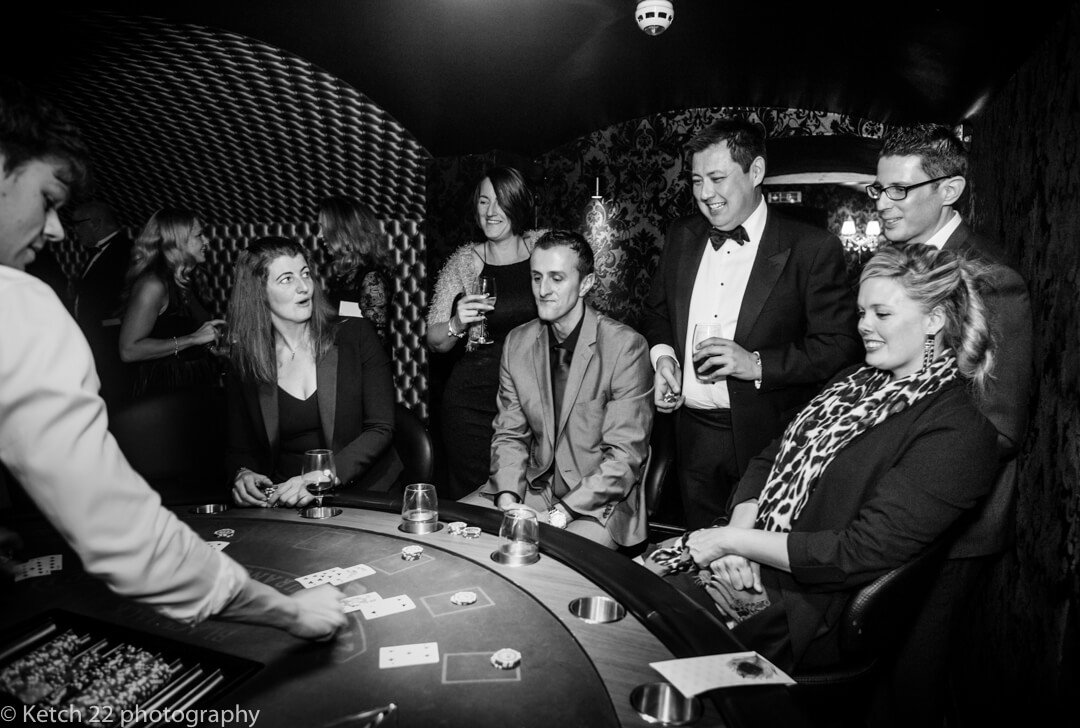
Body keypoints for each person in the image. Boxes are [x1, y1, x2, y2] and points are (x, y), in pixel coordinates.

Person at [0, 77, 345, 638]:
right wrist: (287, 609)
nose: (56, 229)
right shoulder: (20, 305)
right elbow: (118, 525)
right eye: (47, 201)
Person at [648, 244, 999, 675]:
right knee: (621, 592)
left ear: (935, 320)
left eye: (881, 314)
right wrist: (739, 528)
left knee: (639, 635)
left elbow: (855, 553)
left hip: (799, 610)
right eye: (861, 313)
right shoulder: (853, 379)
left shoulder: (958, 431)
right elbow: (771, 454)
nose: (864, 326)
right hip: (748, 555)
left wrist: (730, 542)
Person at [866, 124, 1035, 725]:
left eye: (898, 191)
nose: (883, 204)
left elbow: (1000, 426)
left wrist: (913, 490)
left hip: (954, 523)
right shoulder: (891, 265)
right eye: (878, 190)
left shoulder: (991, 278)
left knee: (917, 680)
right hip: (891, 509)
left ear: (951, 189)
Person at [641, 117, 862, 529]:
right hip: (691, 434)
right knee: (699, 558)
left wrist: (756, 364)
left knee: (756, 572)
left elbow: (838, 347)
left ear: (755, 172)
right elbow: (656, 313)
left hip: (767, 439)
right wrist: (664, 358)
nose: (705, 194)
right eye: (695, 180)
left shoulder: (812, 248)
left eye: (717, 178)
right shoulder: (682, 235)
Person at [461, 230, 653, 549]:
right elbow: (510, 434)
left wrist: (558, 516)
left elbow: (623, 459)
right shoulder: (517, 343)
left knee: (547, 560)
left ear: (586, 284)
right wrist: (508, 499)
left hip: (602, 503)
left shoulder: (625, 347)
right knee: (454, 530)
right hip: (535, 490)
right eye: (537, 277)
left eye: (557, 278)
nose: (543, 290)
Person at [226, 236, 402, 509]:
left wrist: (323, 476)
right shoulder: (246, 361)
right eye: (286, 279)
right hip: (288, 499)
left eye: (305, 273)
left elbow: (381, 427)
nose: (303, 287)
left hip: (364, 493)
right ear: (259, 292)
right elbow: (238, 446)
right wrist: (242, 473)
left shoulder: (356, 336)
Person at [425, 166, 546, 498]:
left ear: (518, 205)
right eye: (483, 202)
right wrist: (456, 323)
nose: (491, 212)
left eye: (500, 201)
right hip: (472, 404)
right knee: (476, 500)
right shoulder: (464, 263)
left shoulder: (543, 250)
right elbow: (434, 341)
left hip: (531, 399)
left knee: (528, 491)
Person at [118, 207, 225, 398]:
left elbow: (180, 328)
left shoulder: (187, 278)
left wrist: (212, 348)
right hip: (165, 390)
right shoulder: (153, 285)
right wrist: (193, 339)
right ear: (176, 242)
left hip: (194, 381)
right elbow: (129, 350)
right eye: (199, 235)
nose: (206, 241)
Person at [69, 200, 133, 409]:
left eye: (78, 224)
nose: (75, 231)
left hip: (112, 349)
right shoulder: (97, 253)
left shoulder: (126, 251)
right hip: (96, 346)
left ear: (96, 222)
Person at [317, 195, 392, 343]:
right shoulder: (343, 278)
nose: (319, 235)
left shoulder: (371, 278)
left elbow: (374, 342)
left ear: (343, 230)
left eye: (323, 227)